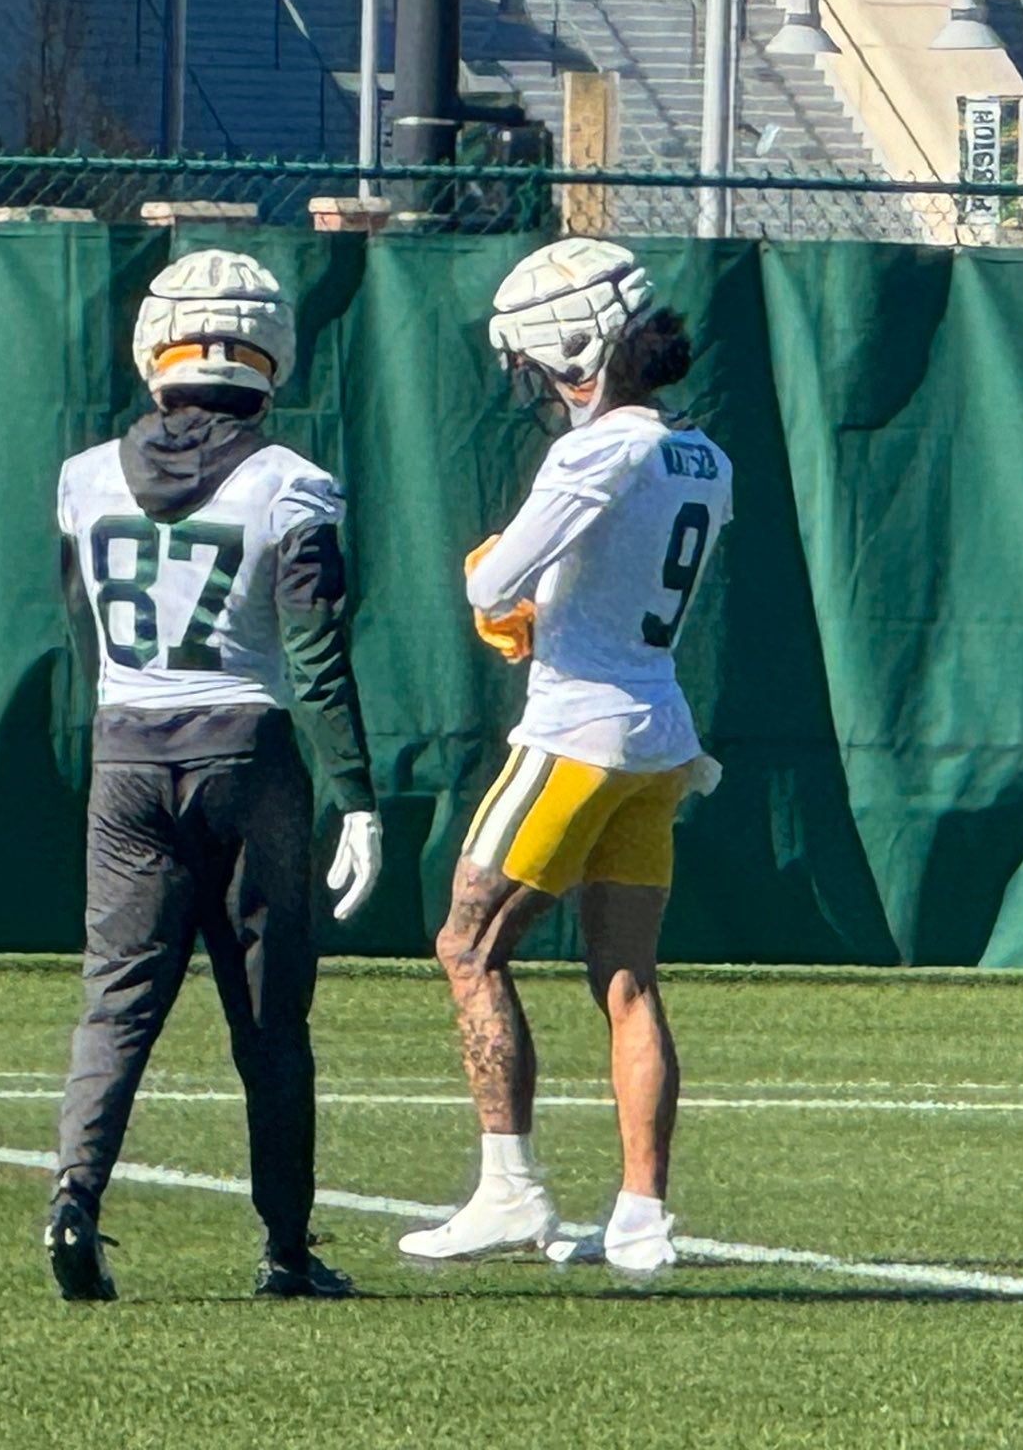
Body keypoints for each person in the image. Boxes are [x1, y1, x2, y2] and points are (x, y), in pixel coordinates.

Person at [46, 249, 382, 1301]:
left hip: (125, 751)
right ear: (268, 353)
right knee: (270, 1019)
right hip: (246, 750)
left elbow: (80, 626)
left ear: (155, 351)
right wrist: (357, 797)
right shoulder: (291, 483)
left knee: (115, 1001)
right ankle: (284, 1249)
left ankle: (73, 1198)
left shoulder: (83, 476)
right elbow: (317, 656)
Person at [397, 238, 731, 1280]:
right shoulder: (701, 457)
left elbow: (492, 582)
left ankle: (509, 1188)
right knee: (626, 977)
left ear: (572, 352)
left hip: (574, 735)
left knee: (467, 946)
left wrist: (502, 598)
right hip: (660, 735)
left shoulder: (594, 451)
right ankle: (641, 1216)